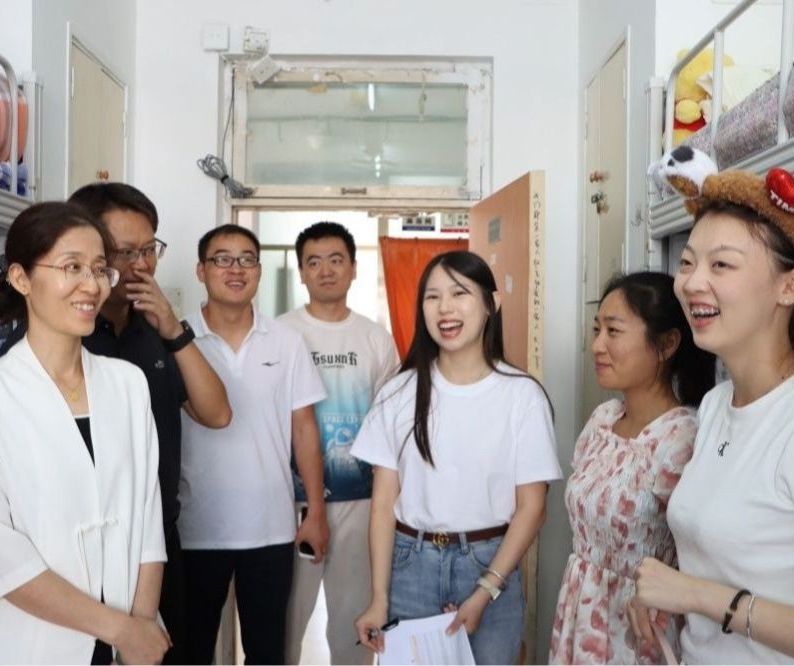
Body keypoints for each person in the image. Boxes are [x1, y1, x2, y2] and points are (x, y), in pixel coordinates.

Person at [0, 183, 232, 663]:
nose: (140, 265)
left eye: (149, 250)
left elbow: (217, 413)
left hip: (157, 549)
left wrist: (172, 329)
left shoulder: (153, 332)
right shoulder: (40, 349)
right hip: (71, 563)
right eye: (124, 253)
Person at [0, 202, 170, 664]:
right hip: (26, 647)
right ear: (21, 278)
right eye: (72, 267)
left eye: (100, 269)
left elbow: (148, 523)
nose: (92, 285)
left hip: (125, 646)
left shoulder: (127, 383)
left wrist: (139, 633)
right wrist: (122, 629)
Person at [630, 147, 794, 664]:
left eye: (721, 264)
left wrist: (696, 595)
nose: (691, 282)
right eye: (688, 262)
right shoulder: (717, 405)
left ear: (791, 286)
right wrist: (665, 594)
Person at [351, 250, 562, 665]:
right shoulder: (398, 393)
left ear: (491, 304)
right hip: (410, 566)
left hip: (489, 564)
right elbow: (382, 506)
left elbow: (532, 508)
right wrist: (378, 598)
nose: (444, 308)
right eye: (432, 297)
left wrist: (485, 590)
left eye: (459, 293)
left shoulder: (522, 396)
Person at [179, 224, 329, 665]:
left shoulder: (286, 341)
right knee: (189, 653)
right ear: (201, 270)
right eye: (222, 259)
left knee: (266, 653)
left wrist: (316, 512)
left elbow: (304, 429)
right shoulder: (176, 339)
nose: (236, 269)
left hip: (270, 528)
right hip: (192, 527)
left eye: (247, 260)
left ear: (259, 272)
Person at [550, 271, 715, 664]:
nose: (597, 345)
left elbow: (704, 556)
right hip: (580, 611)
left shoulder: (683, 439)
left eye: (614, 331)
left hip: (638, 629)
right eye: (597, 330)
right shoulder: (603, 419)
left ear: (667, 343)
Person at [280, 222, 399, 665]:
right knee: (285, 619)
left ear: (353, 268)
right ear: (301, 272)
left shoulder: (375, 339)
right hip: (290, 500)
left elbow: (391, 424)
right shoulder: (281, 334)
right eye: (314, 262)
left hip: (361, 500)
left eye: (336, 260)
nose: (325, 270)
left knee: (353, 623)